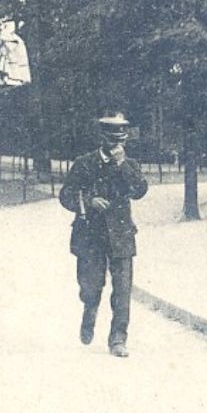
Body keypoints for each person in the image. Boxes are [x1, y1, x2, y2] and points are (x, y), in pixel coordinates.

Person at [58, 111, 149, 357]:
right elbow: (66, 195)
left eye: (121, 137)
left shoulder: (130, 165)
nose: (117, 142)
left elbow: (139, 191)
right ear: (102, 137)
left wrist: (122, 164)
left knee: (122, 289)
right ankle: (90, 309)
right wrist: (88, 201)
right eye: (112, 137)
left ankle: (118, 338)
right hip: (90, 234)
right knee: (90, 287)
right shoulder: (84, 163)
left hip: (121, 233)